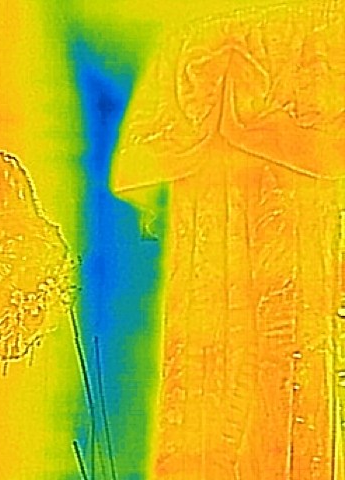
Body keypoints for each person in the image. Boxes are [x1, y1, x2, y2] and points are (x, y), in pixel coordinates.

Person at [111, 2, 345, 478]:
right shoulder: (312, 31)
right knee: (258, 349)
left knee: (255, 349)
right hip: (240, 180)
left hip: (245, 181)